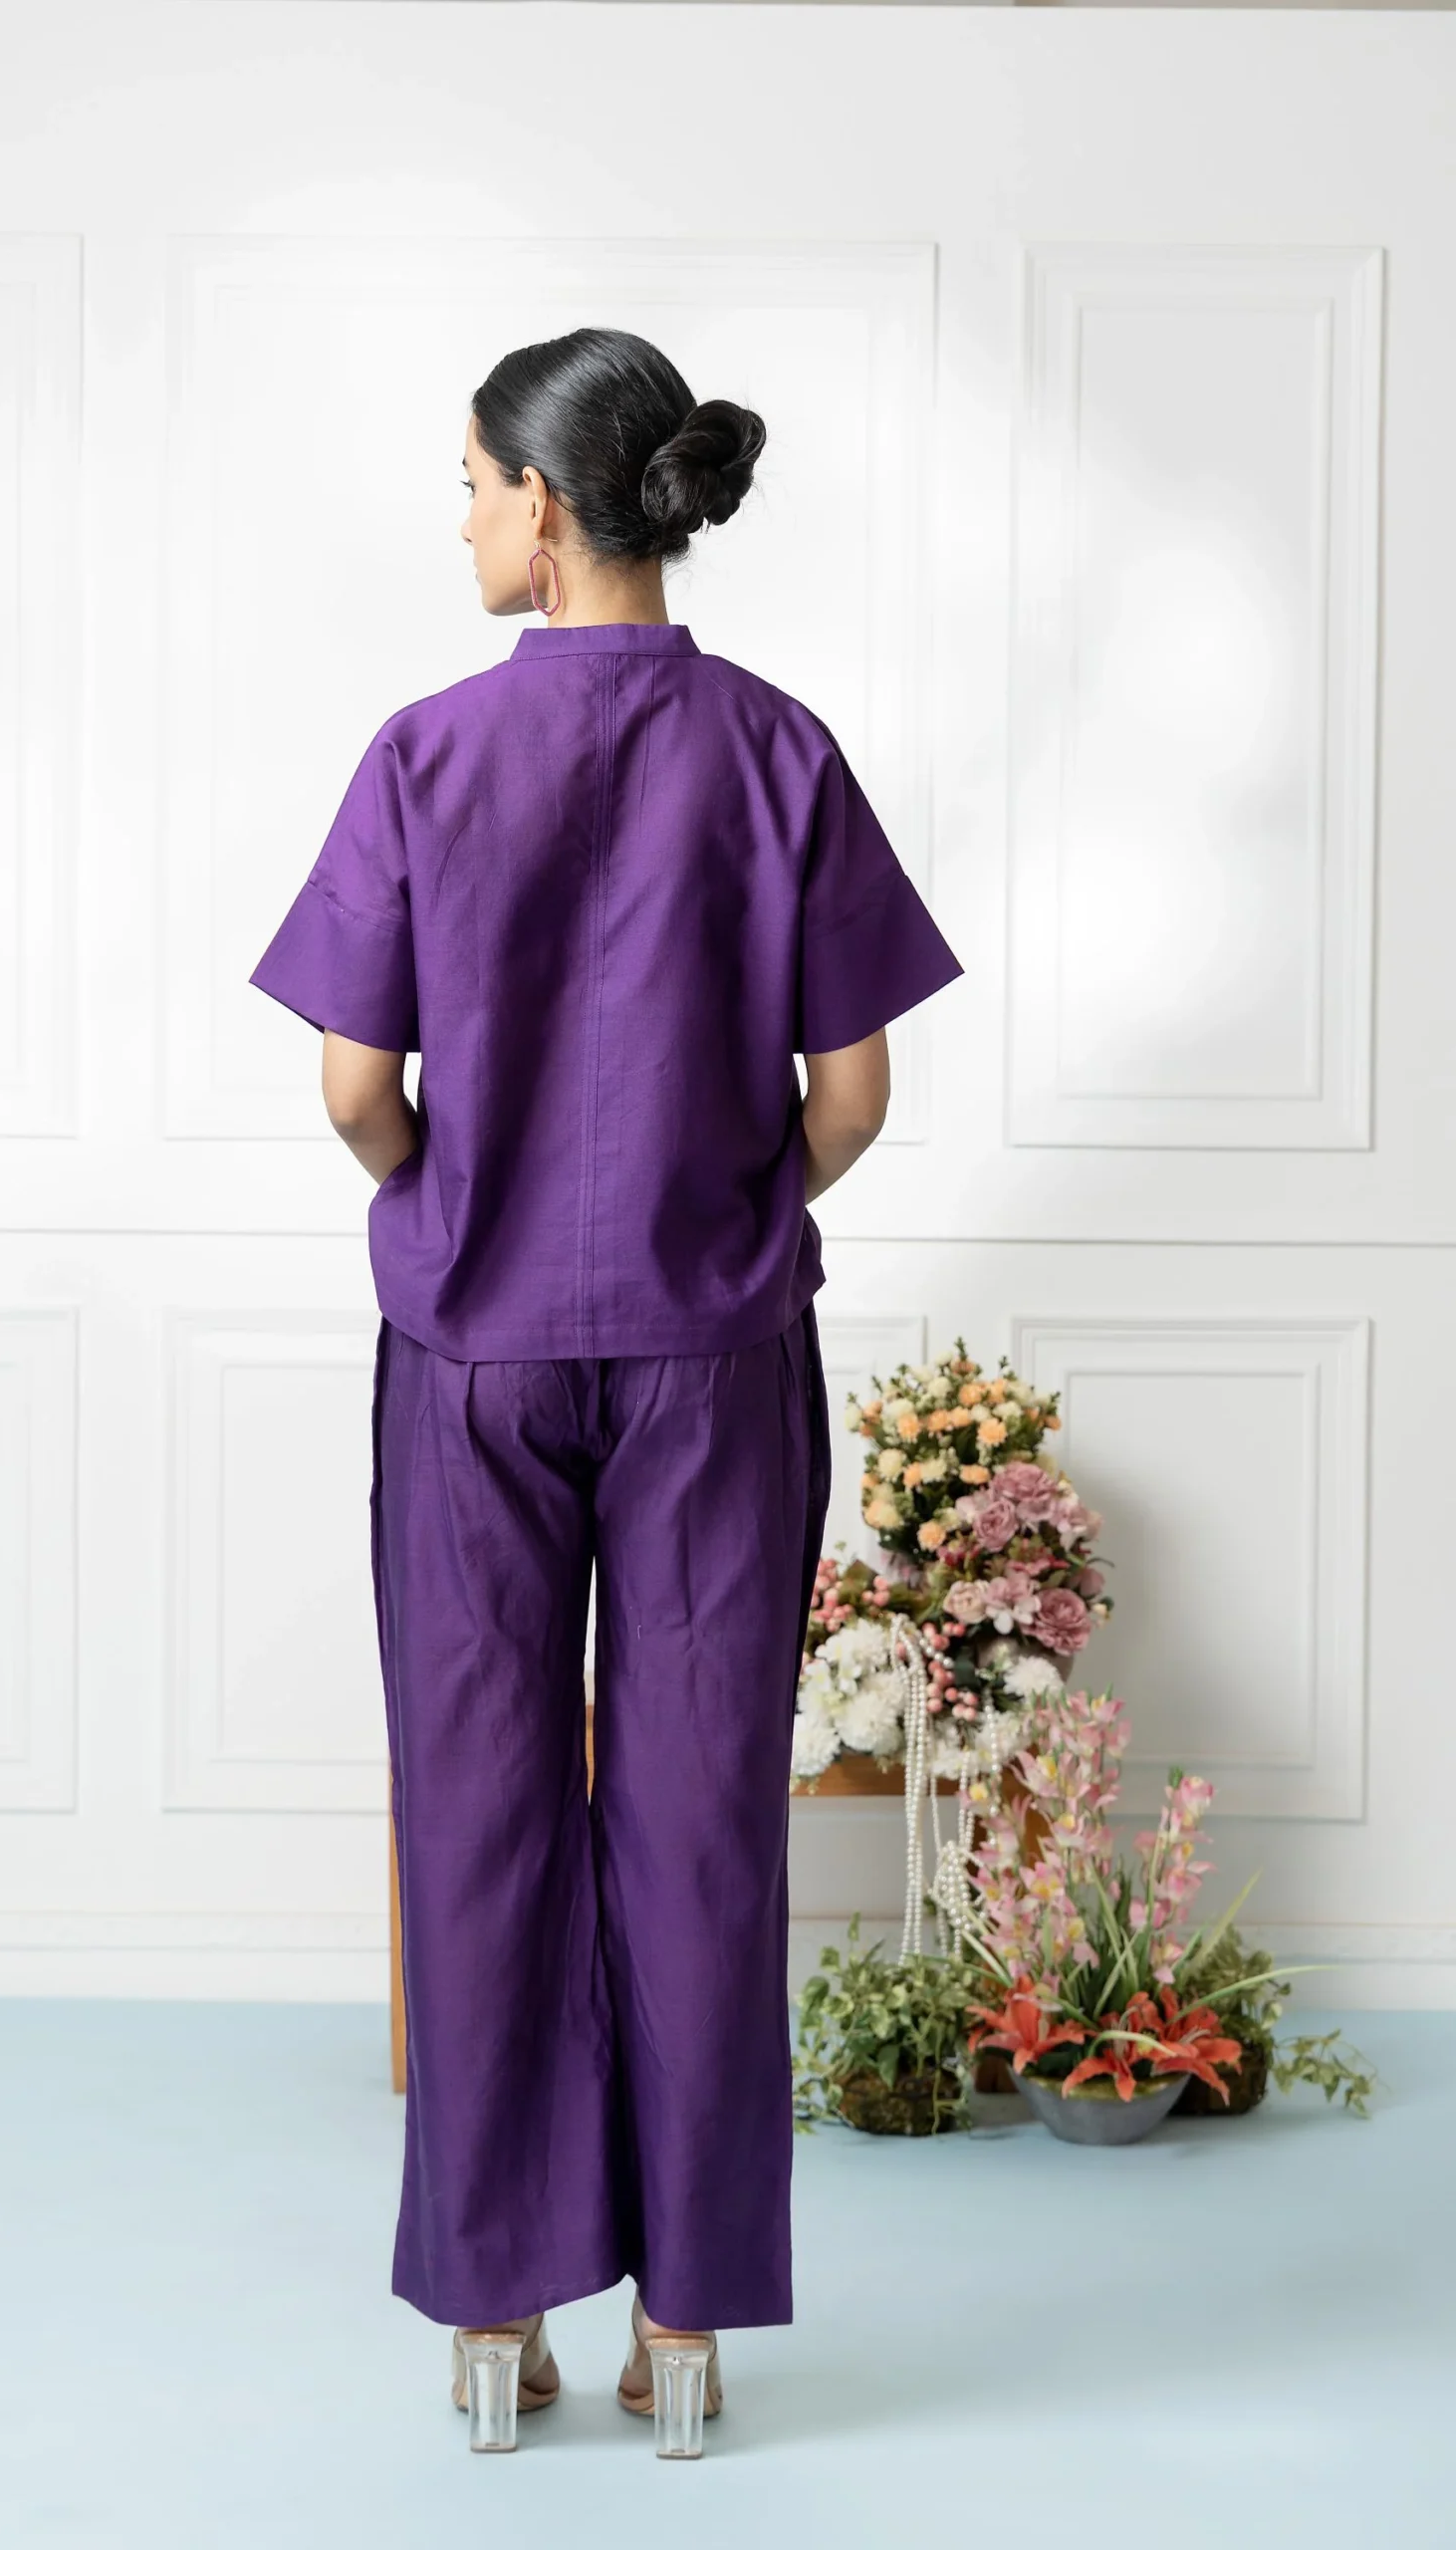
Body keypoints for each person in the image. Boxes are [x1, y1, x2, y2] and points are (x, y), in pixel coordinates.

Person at [248, 326, 965, 2458]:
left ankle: (493, 2317)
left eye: (474, 484)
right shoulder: (776, 747)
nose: (463, 520)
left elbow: (353, 1087)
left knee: (477, 1813)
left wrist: (444, 1196)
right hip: (712, 1357)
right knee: (699, 1817)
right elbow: (853, 1092)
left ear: (545, 507)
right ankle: (689, 2328)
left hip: (471, 1361)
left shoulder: (423, 753)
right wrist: (731, 1204)